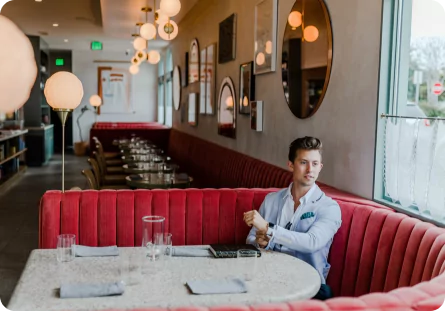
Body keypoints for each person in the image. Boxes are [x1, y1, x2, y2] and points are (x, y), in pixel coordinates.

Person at [244, 136, 341, 300]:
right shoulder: (271, 200)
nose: (310, 169)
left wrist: (269, 230)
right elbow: (251, 239)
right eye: (303, 162)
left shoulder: (329, 207)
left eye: (315, 164)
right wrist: (261, 242)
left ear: (320, 167)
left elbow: (312, 242)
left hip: (310, 286)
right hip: (270, 278)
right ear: (290, 165)